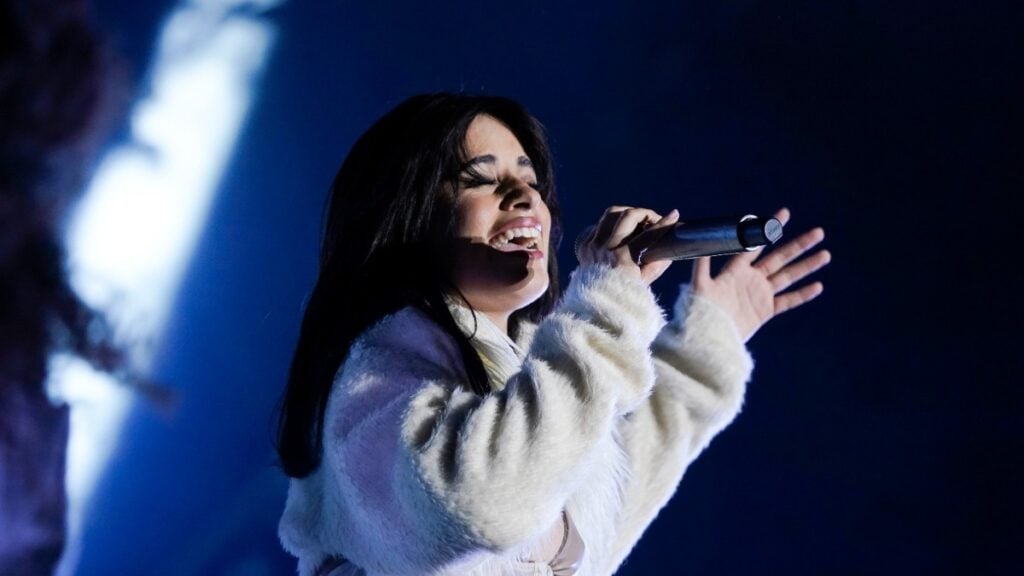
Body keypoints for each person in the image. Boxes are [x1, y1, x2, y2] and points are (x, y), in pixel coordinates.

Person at [276, 93, 830, 576]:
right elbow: (482, 498)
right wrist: (608, 297)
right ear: (408, 216)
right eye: (481, 179)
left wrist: (703, 348)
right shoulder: (376, 376)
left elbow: (608, 498)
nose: (523, 196)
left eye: (531, 181)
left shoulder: (520, 378)